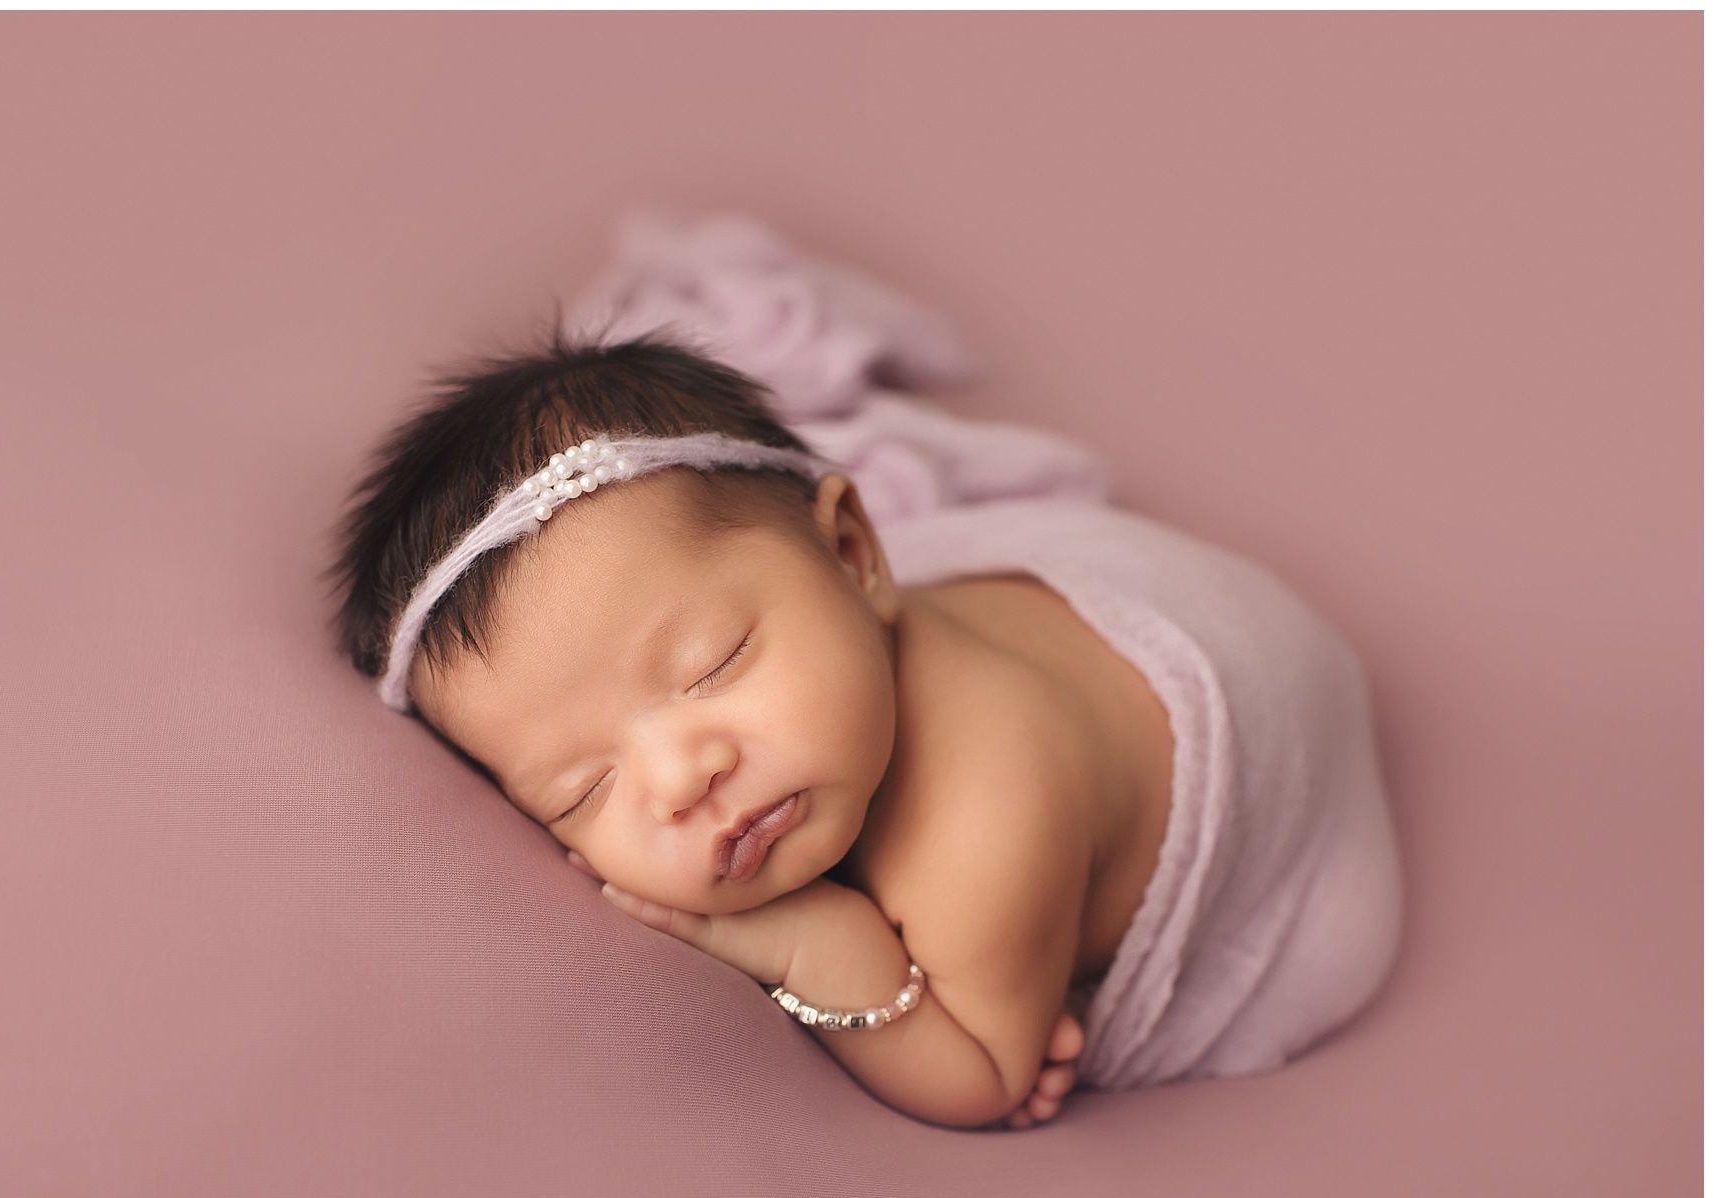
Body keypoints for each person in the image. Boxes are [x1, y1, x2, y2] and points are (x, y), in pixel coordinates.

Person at [324, 318, 1401, 1129]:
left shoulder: (985, 819)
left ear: (855, 554)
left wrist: (810, 937)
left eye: (712, 666)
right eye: (581, 787)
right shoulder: (809, 655)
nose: (679, 778)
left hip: (1262, 715)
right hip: (1052, 627)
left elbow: (983, 1076)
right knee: (787, 612)